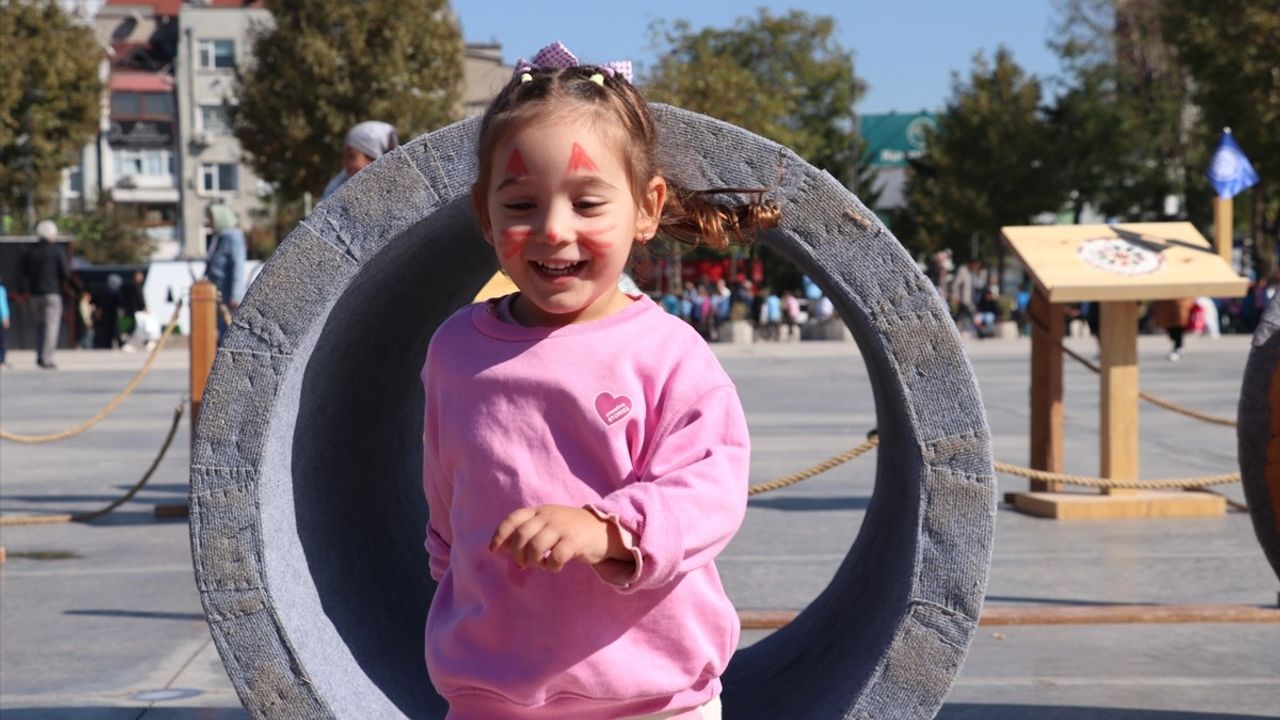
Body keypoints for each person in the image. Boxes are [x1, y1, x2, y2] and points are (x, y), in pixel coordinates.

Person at [421, 41, 778, 719]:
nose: (554, 231)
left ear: (647, 208)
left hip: (650, 694)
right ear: (483, 211)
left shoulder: (668, 355)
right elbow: (446, 506)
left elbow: (708, 492)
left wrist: (606, 531)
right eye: (521, 204)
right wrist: (460, 597)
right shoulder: (455, 352)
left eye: (588, 204)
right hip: (492, 692)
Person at [18, 219, 69, 369]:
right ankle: (47, 358)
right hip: (52, 293)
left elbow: (22, 273)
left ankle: (40, 355)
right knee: (51, 327)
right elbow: (65, 273)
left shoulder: (31, 252)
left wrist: (24, 291)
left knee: (39, 326)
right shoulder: (57, 251)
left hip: (34, 295)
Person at [322, 120, 400, 199]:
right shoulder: (336, 190)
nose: (344, 162)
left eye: (351, 156)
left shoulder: (397, 190)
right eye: (344, 156)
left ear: (372, 159)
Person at [204, 203, 247, 338]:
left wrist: (236, 296)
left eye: (210, 218)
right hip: (218, 293)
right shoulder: (218, 237)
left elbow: (238, 266)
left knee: (229, 333)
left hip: (229, 296)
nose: (208, 222)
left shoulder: (233, 237)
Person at [0, 275, 9, 369]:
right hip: (0, 319)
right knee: (2, 341)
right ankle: (1, 361)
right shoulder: (1, 290)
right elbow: (2, 304)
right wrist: (5, 317)